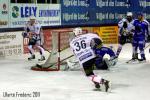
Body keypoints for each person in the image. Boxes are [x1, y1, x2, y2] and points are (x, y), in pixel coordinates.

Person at [69, 27, 111, 92]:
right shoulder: (88, 35)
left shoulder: (72, 42)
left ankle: (104, 82)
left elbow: (75, 54)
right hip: (93, 55)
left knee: (88, 74)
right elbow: (99, 40)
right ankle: (96, 82)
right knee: (92, 70)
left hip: (83, 59)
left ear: (75, 33)